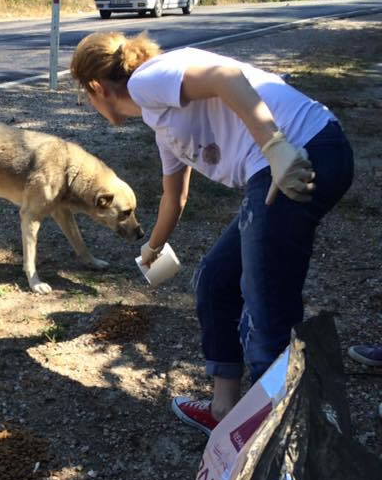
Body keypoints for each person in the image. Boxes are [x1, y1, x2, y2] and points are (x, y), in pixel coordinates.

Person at [70, 30, 354, 436]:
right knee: (215, 281)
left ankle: (282, 443)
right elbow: (175, 196)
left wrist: (274, 146)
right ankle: (224, 410)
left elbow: (224, 76)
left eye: (87, 97)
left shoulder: (147, 80)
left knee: (266, 315)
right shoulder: (161, 119)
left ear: (96, 88)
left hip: (302, 151)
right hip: (284, 163)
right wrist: (152, 247)